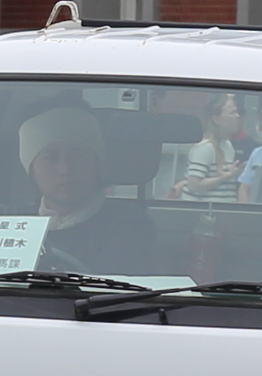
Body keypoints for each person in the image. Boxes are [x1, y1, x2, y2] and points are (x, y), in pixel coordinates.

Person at [20, 108, 152, 273]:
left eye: (78, 156)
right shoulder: (12, 222)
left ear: (96, 164)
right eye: (50, 158)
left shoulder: (129, 225)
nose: (65, 169)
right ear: (32, 171)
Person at [170, 93, 240, 201]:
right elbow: (194, 186)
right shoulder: (205, 148)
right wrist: (226, 177)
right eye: (232, 113)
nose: (237, 116)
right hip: (203, 214)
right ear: (216, 119)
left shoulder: (227, 146)